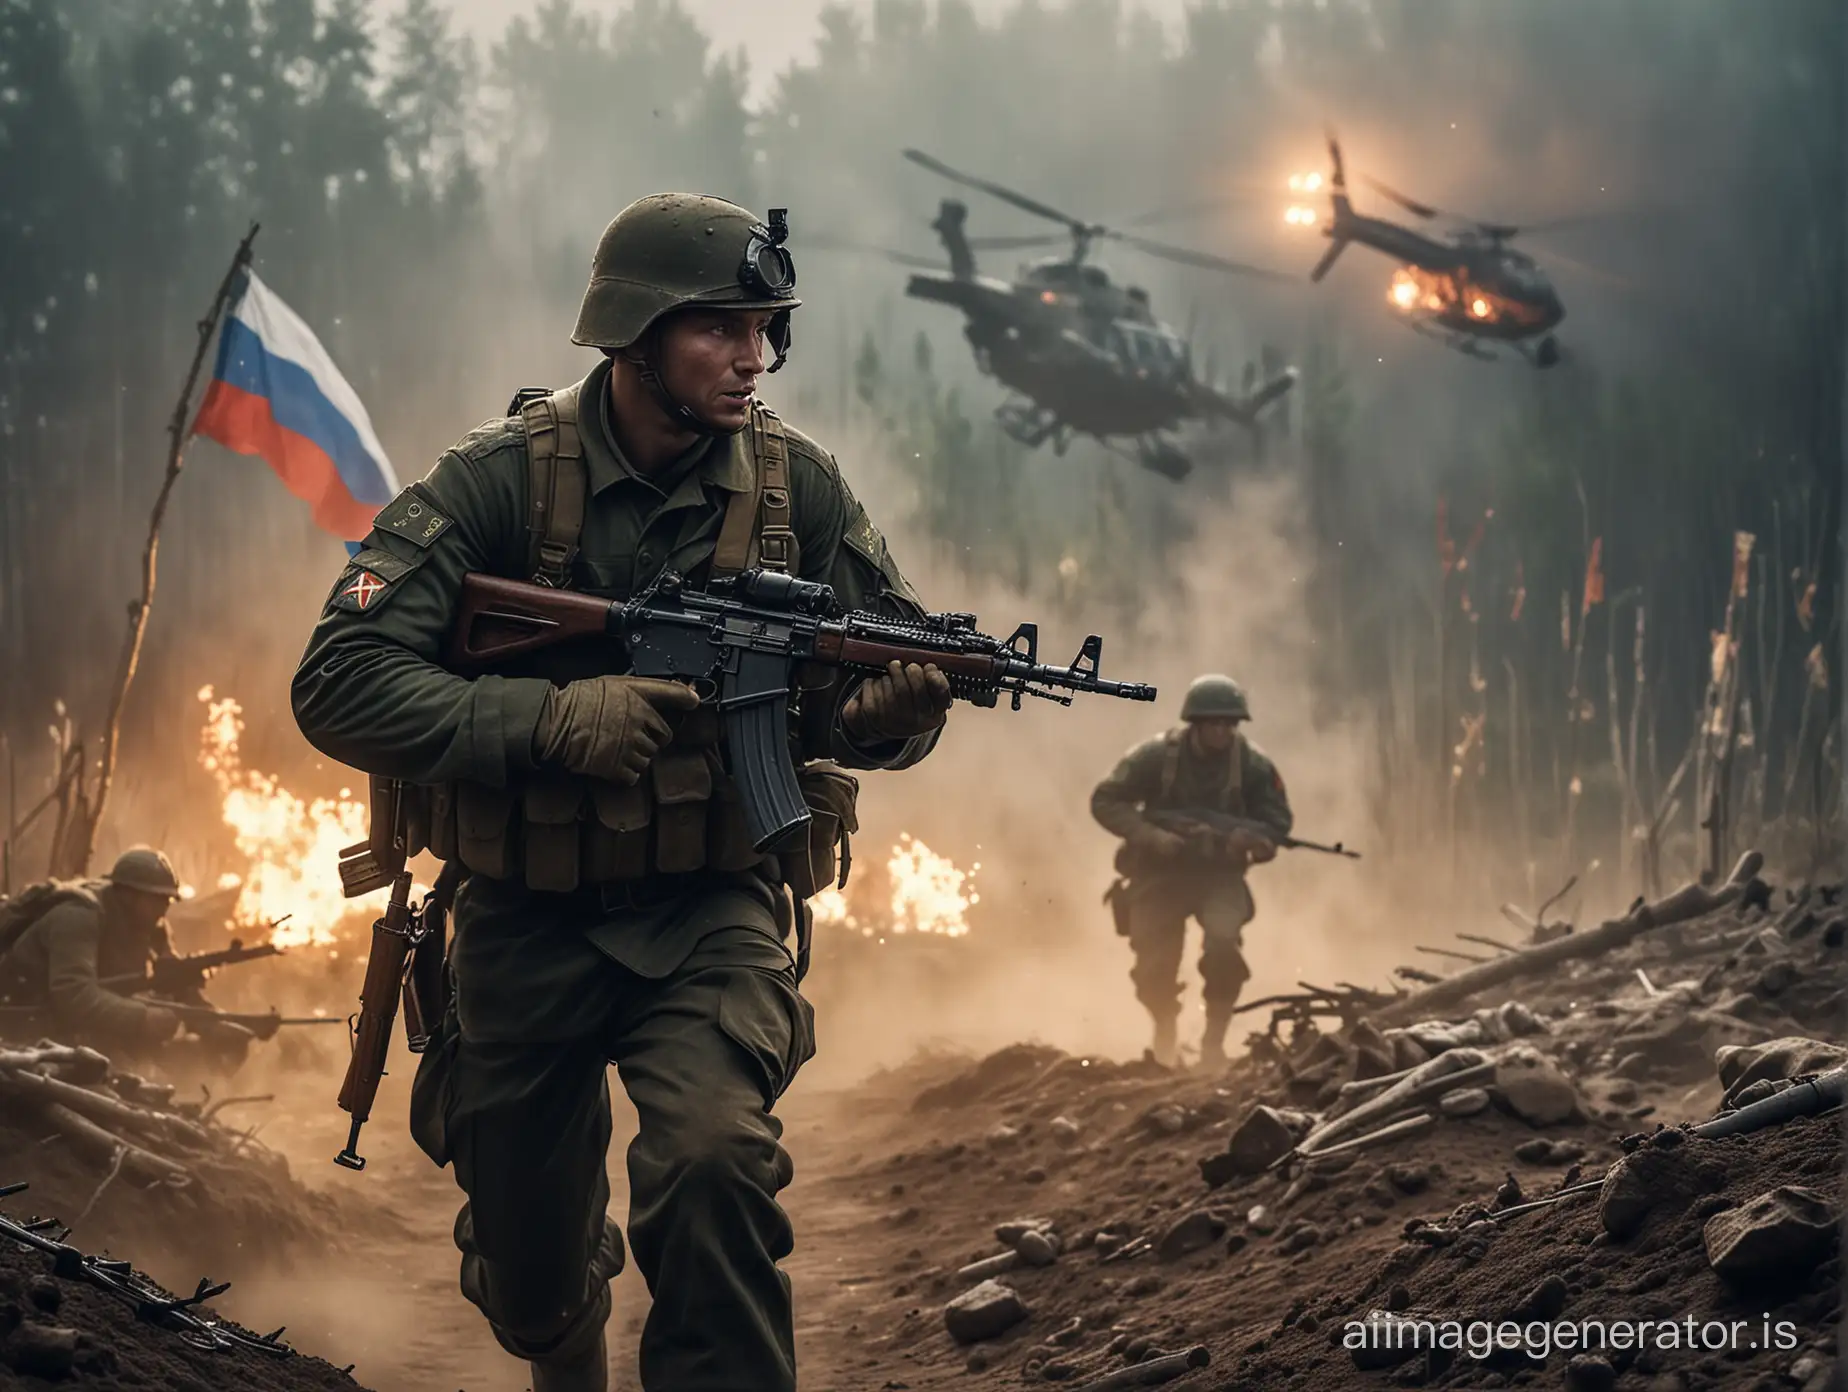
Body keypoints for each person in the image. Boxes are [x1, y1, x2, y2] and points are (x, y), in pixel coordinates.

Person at [291, 193, 950, 1392]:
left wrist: (888, 722)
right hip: (522, 915)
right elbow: (336, 683)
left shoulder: (798, 491)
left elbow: (864, 687)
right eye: (722, 328)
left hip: (709, 910)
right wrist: (546, 719)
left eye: (767, 328)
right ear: (634, 335)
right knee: (533, 1279)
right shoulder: (496, 484)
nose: (755, 356)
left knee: (712, 1165)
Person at [1091, 674, 1292, 1068]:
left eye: (1230, 723)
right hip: (1160, 872)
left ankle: (1213, 1041)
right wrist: (1150, 836)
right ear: (1195, 723)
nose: (1222, 731)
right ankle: (1164, 1031)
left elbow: (1277, 821)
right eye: (1214, 722)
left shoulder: (1251, 765)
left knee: (1223, 944)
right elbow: (1105, 799)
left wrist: (1249, 840)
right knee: (1152, 964)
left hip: (1219, 875)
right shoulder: (1155, 757)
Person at [0, 847, 253, 1069]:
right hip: (25, 1021)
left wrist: (210, 1022)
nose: (164, 907)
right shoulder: (77, 916)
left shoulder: (151, 924)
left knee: (201, 1055)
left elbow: (173, 980)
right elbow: (74, 995)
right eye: (155, 899)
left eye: (167, 899)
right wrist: (142, 1018)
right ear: (128, 894)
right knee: (131, 1069)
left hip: (78, 1024)